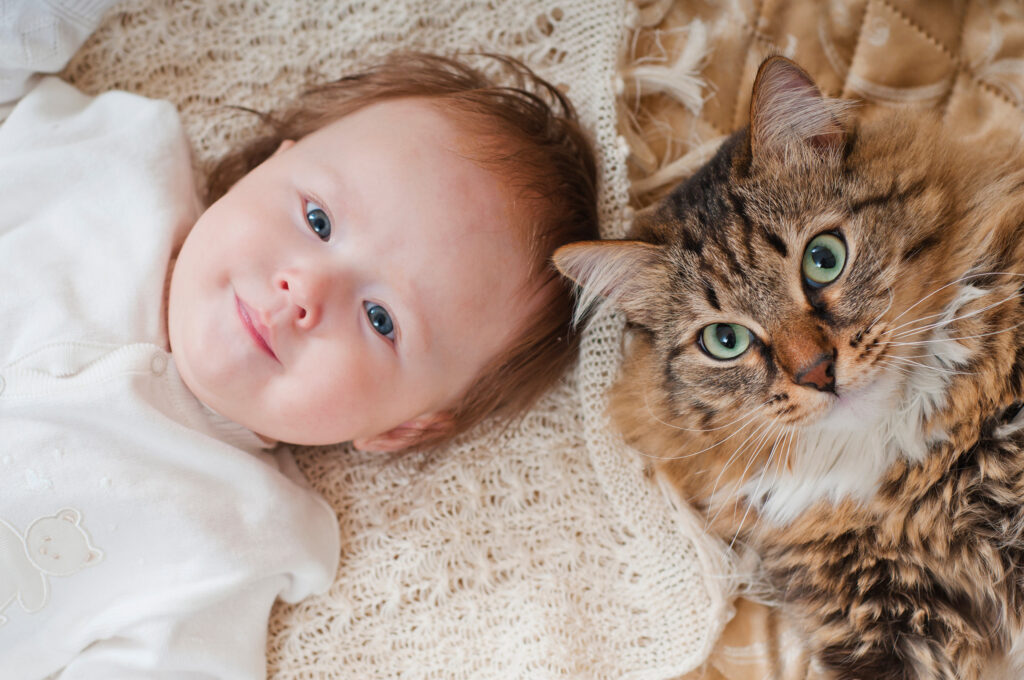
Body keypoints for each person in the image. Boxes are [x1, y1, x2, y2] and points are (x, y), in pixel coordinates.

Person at [0, 52, 598, 678]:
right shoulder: (105, 159)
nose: (306, 290)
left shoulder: (229, 539)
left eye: (380, 319)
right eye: (317, 220)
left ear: (400, 429)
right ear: (267, 166)